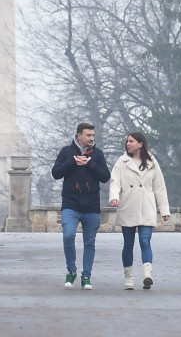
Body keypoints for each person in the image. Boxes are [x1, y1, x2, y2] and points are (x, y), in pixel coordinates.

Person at [51, 122, 110, 290]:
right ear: (79, 136)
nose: (92, 138)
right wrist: (72, 162)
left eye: (93, 135)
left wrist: (90, 164)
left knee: (89, 242)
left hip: (91, 206)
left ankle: (86, 276)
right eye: (88, 135)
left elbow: (105, 176)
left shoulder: (97, 154)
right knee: (68, 235)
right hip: (71, 205)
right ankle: (71, 270)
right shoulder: (66, 152)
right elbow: (55, 173)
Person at [109, 131, 170, 291]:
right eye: (127, 141)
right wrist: (114, 197)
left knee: (145, 241)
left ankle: (147, 274)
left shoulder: (151, 162)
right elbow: (115, 182)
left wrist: (164, 210)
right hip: (128, 206)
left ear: (140, 144)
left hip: (146, 207)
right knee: (128, 244)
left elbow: (160, 187)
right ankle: (129, 278)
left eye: (131, 141)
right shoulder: (121, 162)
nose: (128, 144)